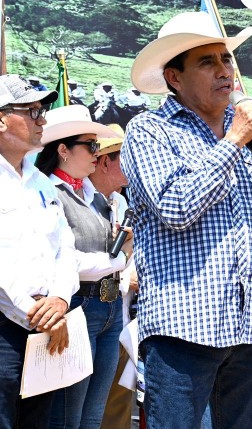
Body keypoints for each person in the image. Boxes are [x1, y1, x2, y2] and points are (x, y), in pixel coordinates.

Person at [121, 11, 252, 426]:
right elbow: (176, 208)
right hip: (183, 327)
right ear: (174, 78)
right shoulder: (150, 130)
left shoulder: (251, 141)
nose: (224, 70)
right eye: (207, 62)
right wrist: (232, 143)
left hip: (251, 328)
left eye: (226, 59)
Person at [32, 105, 126, 428]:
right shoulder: (49, 193)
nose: (97, 153)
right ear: (63, 150)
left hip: (107, 306)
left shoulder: (93, 195)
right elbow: (66, 260)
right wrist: (117, 259)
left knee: (92, 415)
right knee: (67, 418)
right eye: (91, 145)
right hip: (77, 306)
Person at [0, 75, 78, 429]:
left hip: (45, 326)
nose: (42, 119)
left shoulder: (41, 182)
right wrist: (37, 313)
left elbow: (65, 247)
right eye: (31, 111)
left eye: (41, 110)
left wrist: (59, 299)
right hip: (9, 325)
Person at [92, 125, 139, 429]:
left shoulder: (121, 203)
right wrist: (124, 280)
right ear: (105, 161)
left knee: (117, 406)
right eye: (126, 157)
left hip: (121, 319)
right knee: (87, 406)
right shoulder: (81, 200)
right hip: (91, 317)